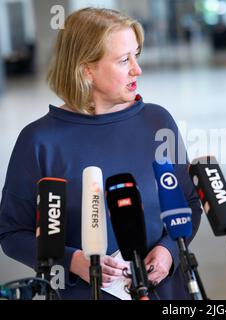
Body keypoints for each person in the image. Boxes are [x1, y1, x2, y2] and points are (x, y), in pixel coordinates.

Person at [0, 8, 201, 300]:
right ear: (86, 70)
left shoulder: (158, 122)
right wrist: (71, 261)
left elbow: (189, 202)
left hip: (166, 292)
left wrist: (168, 251)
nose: (137, 69)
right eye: (124, 60)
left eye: (136, 55)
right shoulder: (38, 141)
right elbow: (12, 234)